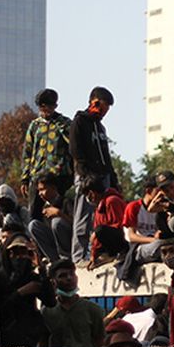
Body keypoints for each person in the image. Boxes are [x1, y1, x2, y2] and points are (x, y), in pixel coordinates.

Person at [70, 86, 118, 263]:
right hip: (87, 177)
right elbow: (75, 150)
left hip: (103, 177)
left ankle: (100, 251)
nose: (105, 112)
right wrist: (85, 176)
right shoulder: (79, 122)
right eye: (104, 107)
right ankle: (78, 255)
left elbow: (106, 155)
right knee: (83, 215)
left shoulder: (100, 127)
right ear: (95, 103)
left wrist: (113, 179)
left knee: (103, 217)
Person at [21, 88, 73, 221]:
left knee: (58, 213)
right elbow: (27, 152)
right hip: (37, 176)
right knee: (34, 215)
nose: (46, 110)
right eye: (43, 107)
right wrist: (25, 178)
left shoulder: (65, 124)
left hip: (59, 176)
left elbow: (74, 146)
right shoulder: (35, 126)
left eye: (50, 106)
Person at [117, 178, 167, 286]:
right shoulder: (134, 207)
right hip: (139, 248)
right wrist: (153, 240)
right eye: (159, 191)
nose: (163, 194)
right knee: (160, 245)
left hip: (157, 245)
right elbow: (131, 236)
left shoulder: (161, 209)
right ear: (149, 191)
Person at [79, 176, 128, 268]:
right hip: (108, 243)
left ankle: (114, 254)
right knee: (98, 231)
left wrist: (96, 234)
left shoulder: (112, 201)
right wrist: (93, 256)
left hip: (123, 242)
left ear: (91, 193)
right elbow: (97, 238)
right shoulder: (99, 207)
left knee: (100, 230)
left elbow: (121, 226)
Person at [28, 173, 73, 263]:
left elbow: (76, 225)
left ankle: (66, 258)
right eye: (39, 191)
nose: (40, 194)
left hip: (70, 243)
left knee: (57, 222)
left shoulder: (65, 202)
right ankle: (54, 260)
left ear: (53, 188)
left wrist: (59, 213)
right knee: (33, 225)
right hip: (55, 245)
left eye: (43, 189)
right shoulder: (44, 207)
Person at [0, 184, 30, 260]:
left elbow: (29, 234)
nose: (4, 206)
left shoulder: (22, 211)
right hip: (0, 247)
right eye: (0, 203)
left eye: (7, 202)